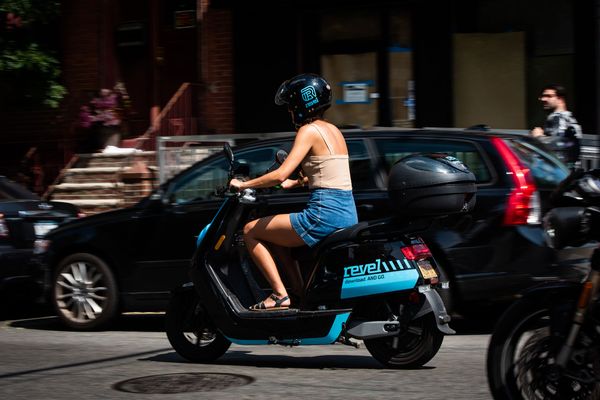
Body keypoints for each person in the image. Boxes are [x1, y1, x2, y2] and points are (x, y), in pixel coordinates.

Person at [229, 73, 358, 311]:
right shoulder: (334, 130)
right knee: (275, 237)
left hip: (324, 214)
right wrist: (295, 183)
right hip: (347, 212)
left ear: (301, 105)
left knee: (250, 231)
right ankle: (300, 293)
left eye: (290, 106)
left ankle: (280, 295)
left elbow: (279, 173)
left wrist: (244, 184)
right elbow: (329, 169)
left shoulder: (308, 131)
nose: (289, 112)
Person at [530, 84, 582, 167]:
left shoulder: (559, 118)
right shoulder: (565, 118)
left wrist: (538, 137)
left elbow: (558, 146)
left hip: (562, 173)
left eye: (548, 96)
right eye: (542, 96)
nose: (543, 99)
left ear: (560, 99)